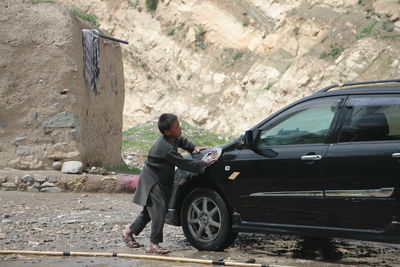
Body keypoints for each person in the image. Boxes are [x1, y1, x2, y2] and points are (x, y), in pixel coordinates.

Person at [122, 113, 219, 254]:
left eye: (179, 125)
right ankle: (153, 244)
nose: (180, 129)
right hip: (152, 181)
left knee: (148, 213)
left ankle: (128, 233)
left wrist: (194, 147)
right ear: (167, 132)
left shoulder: (171, 138)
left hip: (158, 179)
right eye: (176, 127)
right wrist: (204, 162)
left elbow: (180, 141)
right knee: (159, 212)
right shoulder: (165, 148)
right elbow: (183, 163)